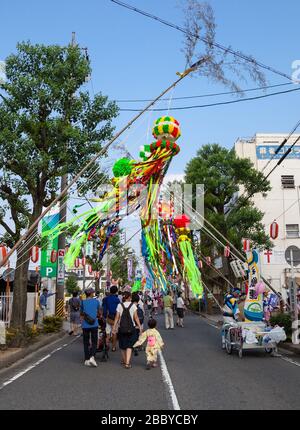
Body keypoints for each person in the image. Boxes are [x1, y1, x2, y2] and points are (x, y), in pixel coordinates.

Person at [112, 291, 142, 369]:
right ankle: (127, 363)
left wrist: (114, 327)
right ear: (129, 297)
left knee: (122, 345)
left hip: (121, 328)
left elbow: (117, 318)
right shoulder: (133, 306)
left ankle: (125, 360)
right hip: (131, 328)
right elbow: (136, 317)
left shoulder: (119, 305)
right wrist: (140, 327)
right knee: (129, 345)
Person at [80, 288, 101, 367]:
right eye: (93, 293)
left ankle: (86, 359)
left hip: (85, 325)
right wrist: (98, 315)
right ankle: (92, 356)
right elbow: (99, 312)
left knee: (86, 342)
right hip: (94, 324)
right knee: (94, 341)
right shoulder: (96, 301)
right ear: (91, 293)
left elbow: (81, 314)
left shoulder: (83, 302)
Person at [103, 285, 120, 352]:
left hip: (108, 318)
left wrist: (104, 317)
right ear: (116, 291)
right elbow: (119, 310)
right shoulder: (117, 300)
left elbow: (104, 309)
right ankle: (113, 347)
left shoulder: (106, 299)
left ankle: (107, 346)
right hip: (115, 318)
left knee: (107, 333)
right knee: (114, 333)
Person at [132, 292, 144, 356]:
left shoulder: (130, 305)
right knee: (139, 335)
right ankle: (138, 346)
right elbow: (143, 314)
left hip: (133, 324)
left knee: (133, 335)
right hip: (140, 323)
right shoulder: (140, 305)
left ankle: (133, 346)